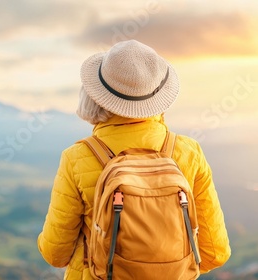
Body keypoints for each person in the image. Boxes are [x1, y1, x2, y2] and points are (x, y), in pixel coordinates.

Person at [37, 40, 231, 279]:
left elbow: (55, 254)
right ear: (158, 94)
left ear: (95, 95)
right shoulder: (188, 152)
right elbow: (215, 253)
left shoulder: (77, 157)